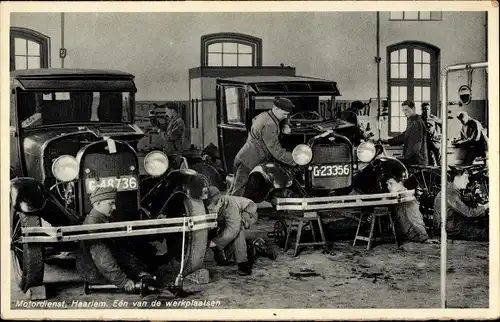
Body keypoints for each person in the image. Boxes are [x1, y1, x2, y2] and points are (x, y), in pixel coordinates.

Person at [76, 187, 155, 292]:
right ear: (98, 204)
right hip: (95, 272)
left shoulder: (102, 219)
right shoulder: (94, 225)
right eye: (111, 203)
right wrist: (123, 281)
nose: (114, 207)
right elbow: (103, 259)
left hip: (97, 268)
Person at [228, 97, 297, 196]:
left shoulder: (264, 115)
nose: (286, 117)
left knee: (233, 189)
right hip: (248, 162)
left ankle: (227, 209)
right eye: (284, 114)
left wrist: (284, 125)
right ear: (276, 109)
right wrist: (295, 160)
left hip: (242, 157)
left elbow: (254, 121)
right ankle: (233, 211)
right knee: (237, 194)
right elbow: (277, 152)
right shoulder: (270, 124)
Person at [433, 167, 489, 241]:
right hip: (447, 228)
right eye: (465, 178)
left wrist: (479, 207)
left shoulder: (451, 190)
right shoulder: (450, 194)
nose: (468, 181)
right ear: (457, 178)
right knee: (482, 233)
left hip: (448, 222)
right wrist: (487, 205)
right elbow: (469, 213)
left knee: (476, 222)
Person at [385, 176, 432, 244]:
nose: (388, 187)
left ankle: (421, 235)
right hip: (407, 234)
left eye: (390, 184)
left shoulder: (408, 198)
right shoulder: (398, 196)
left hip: (413, 235)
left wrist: (424, 236)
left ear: (400, 183)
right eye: (387, 184)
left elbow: (415, 218)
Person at [387, 100, 429, 166]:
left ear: (413, 108)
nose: (405, 112)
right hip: (414, 160)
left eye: (407, 110)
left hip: (417, 162)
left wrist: (404, 158)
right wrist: (389, 141)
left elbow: (416, 147)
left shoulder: (417, 122)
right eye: (403, 110)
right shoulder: (412, 121)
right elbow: (405, 135)